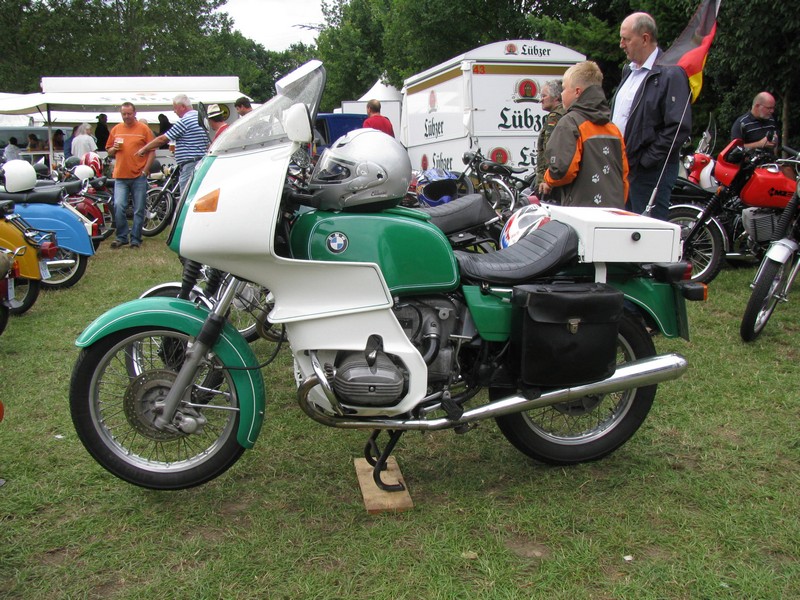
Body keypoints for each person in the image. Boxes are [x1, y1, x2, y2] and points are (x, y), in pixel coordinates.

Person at [611, 12, 691, 220]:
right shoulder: (628, 72)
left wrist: (646, 160)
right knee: (625, 230)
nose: (621, 44)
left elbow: (678, 126)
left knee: (647, 233)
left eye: (626, 39)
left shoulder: (671, 73)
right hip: (625, 167)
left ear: (645, 38)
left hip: (650, 171)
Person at [542, 61, 628, 209]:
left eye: (563, 89)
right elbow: (624, 176)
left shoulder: (570, 123)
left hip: (581, 212)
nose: (561, 94)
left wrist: (547, 179)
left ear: (577, 92)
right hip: (614, 210)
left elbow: (563, 171)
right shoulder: (612, 128)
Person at [136, 93, 209, 195]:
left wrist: (144, 149)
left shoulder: (185, 121)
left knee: (186, 195)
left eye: (175, 108)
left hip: (190, 163)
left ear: (183, 107)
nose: (174, 111)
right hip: (200, 161)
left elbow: (163, 139)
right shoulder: (202, 119)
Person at [106, 102, 154, 249]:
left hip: (138, 175)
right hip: (120, 175)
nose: (126, 116)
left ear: (135, 113)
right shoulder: (116, 129)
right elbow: (108, 150)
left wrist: (146, 170)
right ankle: (122, 236)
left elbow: (152, 150)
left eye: (129, 113)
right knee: (119, 206)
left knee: (138, 209)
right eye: (124, 114)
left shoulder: (144, 129)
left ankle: (135, 238)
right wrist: (113, 149)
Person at [536, 79, 567, 199]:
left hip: (550, 181)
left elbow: (549, 149)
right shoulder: (567, 113)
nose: (541, 99)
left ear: (556, 97)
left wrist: (545, 180)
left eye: (544, 96)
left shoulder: (555, 117)